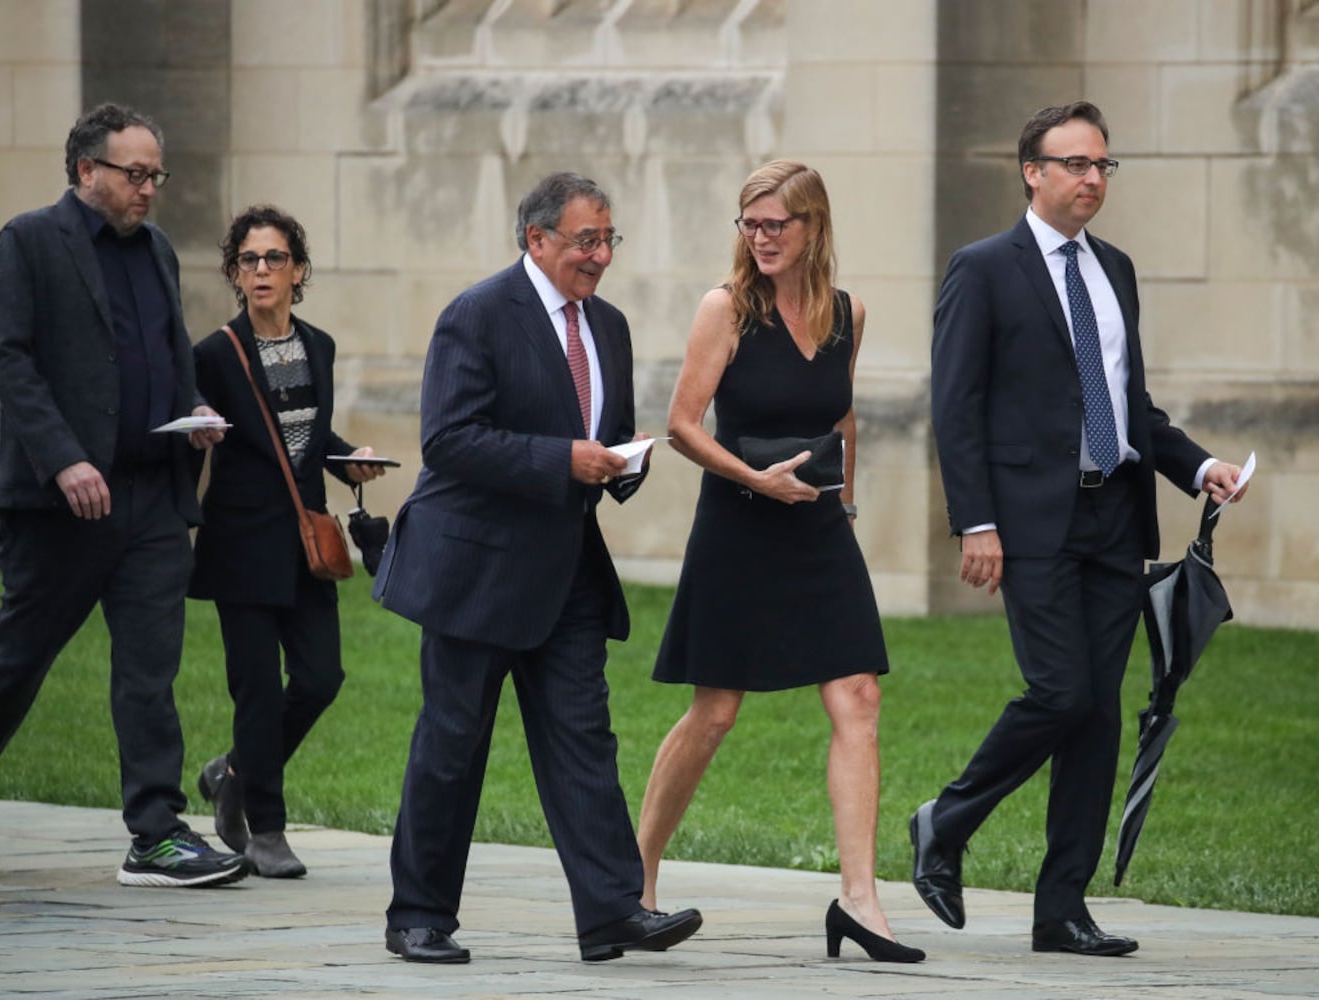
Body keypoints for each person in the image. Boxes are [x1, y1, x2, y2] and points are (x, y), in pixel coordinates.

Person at [914, 101, 1248, 956]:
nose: (1092, 179)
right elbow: (955, 410)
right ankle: (944, 821)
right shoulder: (981, 268)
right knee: (1058, 693)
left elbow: (1130, 404)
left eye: (1102, 165)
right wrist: (975, 522)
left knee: (1096, 715)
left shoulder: (1117, 270)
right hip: (1028, 520)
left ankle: (1060, 909)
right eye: (1075, 164)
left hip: (1113, 514)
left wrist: (1195, 464)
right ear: (1032, 171)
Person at [372, 172, 702, 965]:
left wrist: (622, 465)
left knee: (584, 740)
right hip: (474, 574)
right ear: (537, 239)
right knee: (451, 746)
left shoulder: (609, 327)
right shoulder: (478, 316)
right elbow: (449, 439)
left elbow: (608, 434)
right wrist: (565, 459)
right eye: (586, 241)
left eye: (607, 241)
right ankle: (418, 915)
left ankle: (612, 910)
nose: (599, 257)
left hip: (567, 576)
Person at [635, 160, 924, 965]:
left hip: (820, 528)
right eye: (749, 224)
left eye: (775, 225)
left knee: (858, 696)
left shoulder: (846, 314)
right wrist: (751, 477)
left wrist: (849, 502)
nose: (760, 238)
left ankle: (859, 901)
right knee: (716, 713)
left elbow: (840, 414)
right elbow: (683, 425)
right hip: (739, 523)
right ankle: (635, 875)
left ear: (812, 227)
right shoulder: (725, 309)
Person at [0, 103, 244, 887]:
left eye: (155, 174)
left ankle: (156, 833)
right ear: (84, 170)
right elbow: (9, 359)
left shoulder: (158, 250)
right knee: (19, 662)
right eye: (135, 174)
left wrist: (194, 410)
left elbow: (168, 356)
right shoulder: (29, 242)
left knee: (148, 672)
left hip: (152, 500)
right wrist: (64, 459)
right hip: (59, 505)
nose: (149, 189)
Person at [189, 205, 385, 878]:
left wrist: (346, 456)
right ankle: (265, 828)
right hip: (240, 541)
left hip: (306, 539)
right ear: (235, 273)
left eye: (275, 258)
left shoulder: (318, 346)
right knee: (255, 688)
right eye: (249, 260)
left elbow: (304, 439)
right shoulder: (215, 355)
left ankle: (234, 769)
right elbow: (196, 435)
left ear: (299, 270)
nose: (262, 270)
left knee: (320, 677)